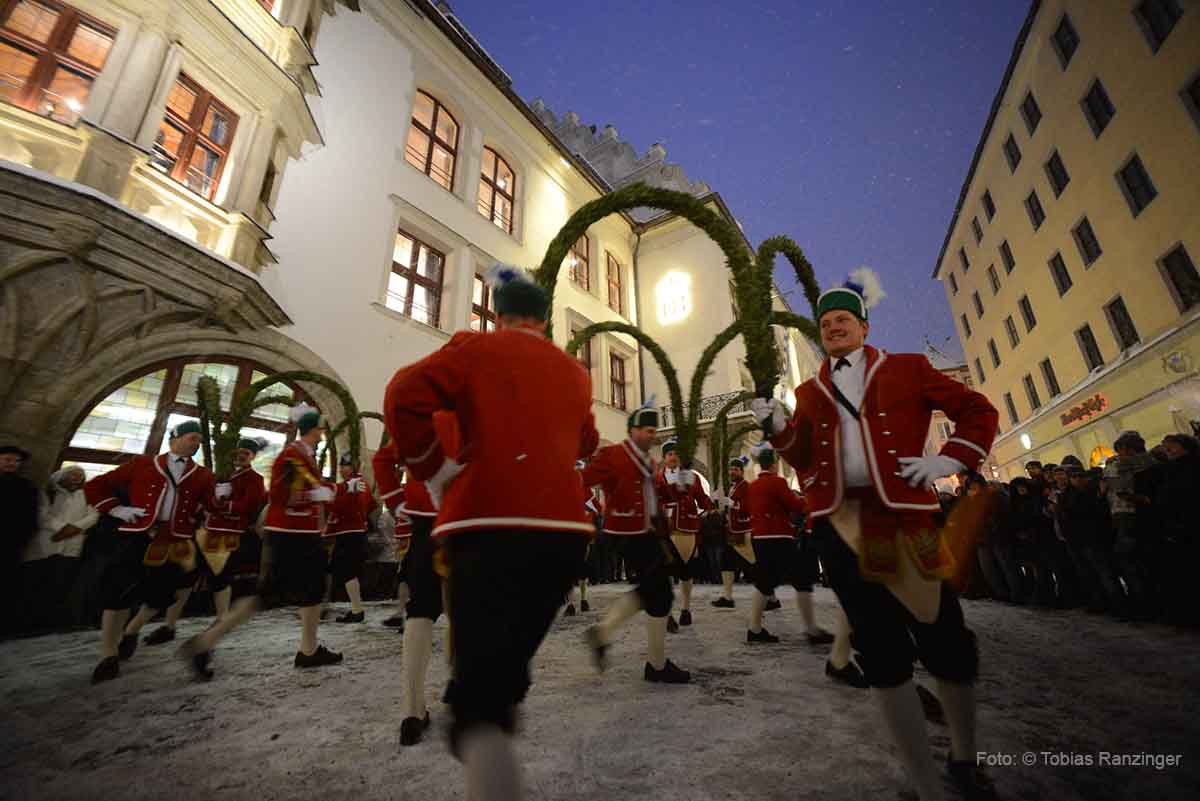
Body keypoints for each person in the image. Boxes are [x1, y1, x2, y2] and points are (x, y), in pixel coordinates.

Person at [752, 269, 999, 801]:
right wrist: (778, 427)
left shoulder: (908, 367)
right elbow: (803, 456)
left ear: (864, 326)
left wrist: (950, 458)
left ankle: (964, 756)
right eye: (826, 323)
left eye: (844, 319)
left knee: (946, 638)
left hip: (908, 517)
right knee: (881, 649)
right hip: (840, 527)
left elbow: (977, 409)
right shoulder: (808, 390)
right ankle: (923, 781)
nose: (834, 328)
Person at [382, 264, 599, 801]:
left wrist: (434, 470)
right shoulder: (576, 372)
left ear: (497, 316)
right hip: (564, 536)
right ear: (545, 321)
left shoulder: (477, 349)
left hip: (486, 525)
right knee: (500, 681)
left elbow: (402, 393)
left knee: (479, 710)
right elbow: (588, 443)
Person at [83, 420, 216, 683]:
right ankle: (108, 654)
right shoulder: (142, 464)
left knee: (163, 594)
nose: (197, 444)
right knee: (118, 593)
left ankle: (132, 630)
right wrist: (117, 509)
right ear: (174, 439)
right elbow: (96, 486)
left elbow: (210, 506)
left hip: (174, 540)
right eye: (192, 438)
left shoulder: (203, 474)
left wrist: (220, 497)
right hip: (138, 536)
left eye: (200, 441)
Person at [581, 401, 691, 685]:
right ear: (632, 430)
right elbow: (583, 479)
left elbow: (661, 495)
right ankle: (654, 664)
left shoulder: (650, 462)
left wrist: (680, 483)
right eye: (647, 430)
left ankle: (606, 636)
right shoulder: (613, 455)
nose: (652, 435)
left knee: (655, 593)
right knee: (658, 593)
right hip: (626, 533)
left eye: (654, 431)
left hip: (650, 534)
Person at [373, 411, 459, 745]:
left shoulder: (424, 417)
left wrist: (398, 502)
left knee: (420, 610)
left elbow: (383, 460)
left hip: (425, 523)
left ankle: (412, 711)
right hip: (468, 521)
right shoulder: (484, 410)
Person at [140, 437, 269, 647]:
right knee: (185, 580)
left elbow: (250, 506)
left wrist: (223, 503)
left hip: (226, 535)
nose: (241, 456)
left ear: (253, 457)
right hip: (204, 532)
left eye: (246, 453)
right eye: (239, 452)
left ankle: (220, 623)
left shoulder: (254, 479)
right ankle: (169, 626)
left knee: (219, 580)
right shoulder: (224, 475)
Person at [744, 444, 833, 646]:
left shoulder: (753, 486)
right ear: (774, 464)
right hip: (780, 537)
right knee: (802, 580)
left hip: (760, 538)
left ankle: (754, 628)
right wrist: (807, 501)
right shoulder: (778, 482)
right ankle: (812, 629)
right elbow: (795, 505)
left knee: (764, 582)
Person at [21, 466, 97, 631]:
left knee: (60, 585)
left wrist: (74, 529)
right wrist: (62, 529)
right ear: (62, 476)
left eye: (80, 476)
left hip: (71, 545)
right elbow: (43, 515)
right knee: (36, 584)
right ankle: (29, 622)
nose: (77, 478)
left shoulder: (86, 494)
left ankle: (51, 622)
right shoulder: (47, 492)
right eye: (73, 475)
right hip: (46, 543)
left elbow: (93, 515)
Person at [656, 439, 713, 631]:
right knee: (664, 573)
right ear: (664, 458)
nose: (673, 457)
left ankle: (686, 609)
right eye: (670, 454)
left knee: (686, 573)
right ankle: (667, 614)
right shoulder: (657, 478)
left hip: (688, 528)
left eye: (676, 454)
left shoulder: (692, 476)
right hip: (665, 530)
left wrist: (712, 506)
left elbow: (702, 499)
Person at [324, 453, 376, 623]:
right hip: (354, 532)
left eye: (345, 466)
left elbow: (342, 506)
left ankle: (356, 610)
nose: (341, 469)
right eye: (341, 465)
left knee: (347, 571)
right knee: (344, 570)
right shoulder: (361, 484)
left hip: (350, 533)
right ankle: (355, 608)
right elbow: (372, 504)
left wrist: (329, 502)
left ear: (353, 468)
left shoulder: (354, 484)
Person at [1, 444, 38, 638]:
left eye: (16, 461)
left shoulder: (26, 486)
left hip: (10, 544)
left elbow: (29, 517)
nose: (12, 464)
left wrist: (20, 539)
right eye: (7, 459)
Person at [712, 456, 752, 608]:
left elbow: (748, 507)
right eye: (731, 469)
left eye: (735, 469)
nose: (732, 472)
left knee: (753, 564)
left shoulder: (746, 486)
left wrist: (733, 503)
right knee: (726, 563)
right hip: (731, 530)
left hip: (742, 530)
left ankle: (771, 598)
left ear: (742, 471)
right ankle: (727, 597)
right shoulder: (733, 487)